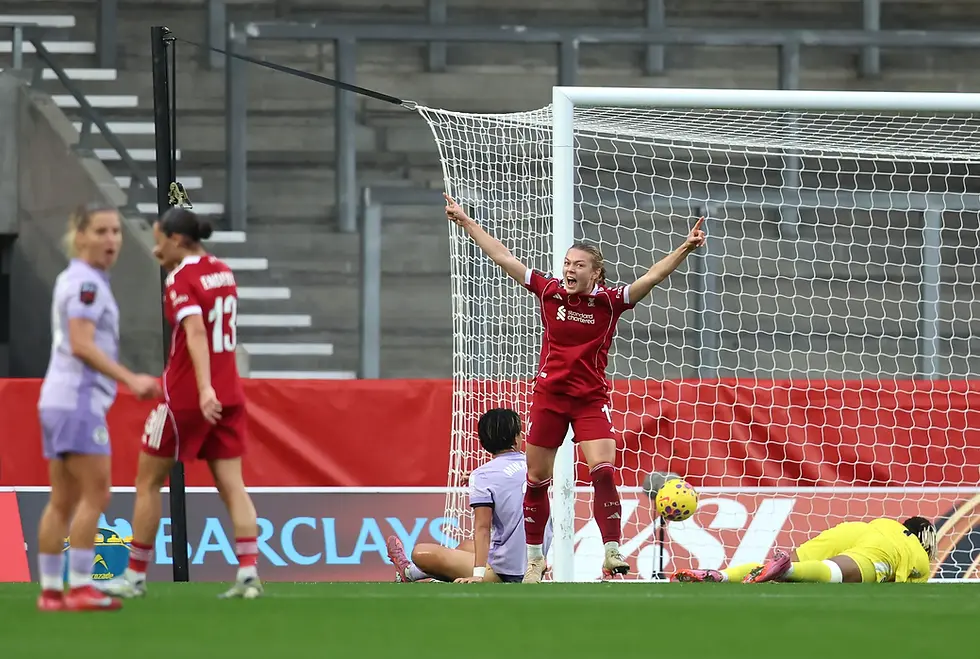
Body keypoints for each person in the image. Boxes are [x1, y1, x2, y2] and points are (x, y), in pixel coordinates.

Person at [443, 193, 706, 582]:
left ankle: (612, 550)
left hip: (589, 401)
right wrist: (466, 222)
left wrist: (684, 247)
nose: (569, 269)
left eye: (578, 265)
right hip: (549, 399)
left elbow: (652, 276)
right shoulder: (548, 292)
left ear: (595, 273)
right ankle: (534, 558)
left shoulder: (612, 302)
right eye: (566, 263)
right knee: (536, 481)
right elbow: (503, 257)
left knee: (602, 470)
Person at [103, 207, 261, 599]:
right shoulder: (222, 271)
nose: (155, 246)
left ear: (175, 239)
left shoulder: (180, 279)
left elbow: (194, 332)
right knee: (232, 484)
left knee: (148, 482)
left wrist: (203, 389)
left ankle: (135, 576)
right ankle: (248, 574)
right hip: (230, 391)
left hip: (188, 397)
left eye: (159, 238)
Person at [36, 203, 161, 612]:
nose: (112, 240)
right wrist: (131, 379)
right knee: (97, 494)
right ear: (81, 234)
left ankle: (52, 590)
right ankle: (82, 587)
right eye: (102, 231)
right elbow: (81, 342)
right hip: (78, 401)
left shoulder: (74, 278)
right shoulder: (87, 285)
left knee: (62, 499)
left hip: (56, 399)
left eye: (116, 232)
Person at [385, 408, 552, 583]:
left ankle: (411, 572)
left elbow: (482, 528)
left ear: (483, 442)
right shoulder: (534, 466)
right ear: (517, 438)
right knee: (465, 546)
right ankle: (428, 578)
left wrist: (477, 576)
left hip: (509, 575)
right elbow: (512, 481)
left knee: (421, 553)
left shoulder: (483, 476)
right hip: (534, 564)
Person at [672, 516, 937, 584]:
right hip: (883, 547)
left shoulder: (873, 526)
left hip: (857, 530)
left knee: (775, 572)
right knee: (835, 572)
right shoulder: (917, 555)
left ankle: (723, 575)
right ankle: (788, 570)